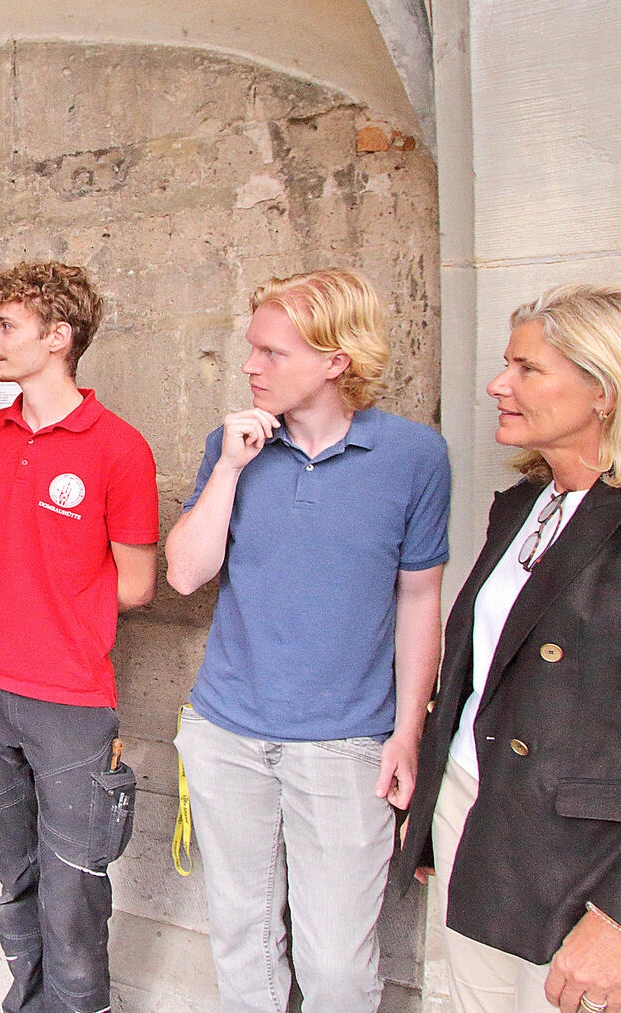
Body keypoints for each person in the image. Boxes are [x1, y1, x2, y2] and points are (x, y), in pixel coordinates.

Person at [164, 269, 450, 1012]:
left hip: (345, 742)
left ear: (336, 360)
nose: (251, 366)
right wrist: (229, 466)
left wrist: (409, 731)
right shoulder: (232, 447)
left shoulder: (415, 457)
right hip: (227, 732)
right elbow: (187, 573)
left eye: (272, 352)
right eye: (251, 349)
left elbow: (421, 599)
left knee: (337, 969)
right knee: (243, 943)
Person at [393, 284, 621, 1013]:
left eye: (527, 369)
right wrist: (436, 798)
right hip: (478, 809)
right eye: (504, 364)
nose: (499, 384)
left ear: (602, 392)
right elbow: (479, 674)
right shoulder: (523, 505)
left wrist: (617, 916)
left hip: (581, 858)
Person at [0, 261, 160, 1013]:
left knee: (73, 901)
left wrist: (58, 618)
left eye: (6, 326)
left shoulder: (120, 448)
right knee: (17, 884)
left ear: (58, 337)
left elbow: (137, 584)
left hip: (67, 699)